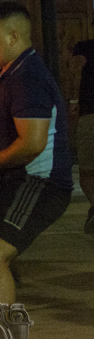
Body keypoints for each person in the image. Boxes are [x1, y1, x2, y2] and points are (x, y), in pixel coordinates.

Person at [0, 1, 73, 306]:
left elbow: (32, 144)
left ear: (13, 37)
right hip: (9, 181)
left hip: (39, 183)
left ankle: (0, 334)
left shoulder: (29, 78)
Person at [72, 39, 94, 234]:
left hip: (90, 113)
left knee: (87, 171)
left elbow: (77, 73)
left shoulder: (84, 47)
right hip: (89, 113)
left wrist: (73, 100)